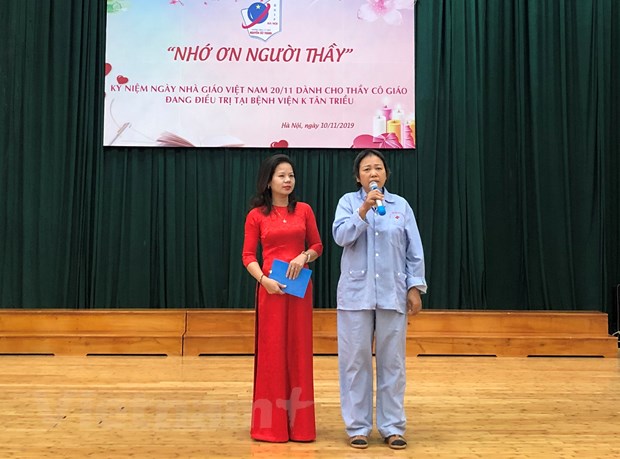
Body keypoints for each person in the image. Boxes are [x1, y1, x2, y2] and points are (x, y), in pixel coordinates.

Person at [332, 149, 427, 450]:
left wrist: (414, 287)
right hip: (356, 296)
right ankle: (357, 427)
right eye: (366, 169)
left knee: (392, 363)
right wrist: (363, 210)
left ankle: (392, 427)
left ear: (386, 173)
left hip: (392, 293)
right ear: (357, 176)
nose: (373, 173)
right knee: (355, 363)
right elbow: (340, 237)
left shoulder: (401, 206)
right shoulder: (348, 203)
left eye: (378, 168)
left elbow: (414, 250)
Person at [242, 154, 323, 442]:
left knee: (299, 353)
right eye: (281, 176)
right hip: (271, 291)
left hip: (299, 291)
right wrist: (264, 281)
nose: (288, 180)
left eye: (291, 175)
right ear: (268, 181)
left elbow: (317, 245)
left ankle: (300, 427)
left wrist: (304, 256)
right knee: (272, 354)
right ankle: (270, 426)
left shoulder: (304, 210)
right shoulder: (256, 216)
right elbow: (248, 256)